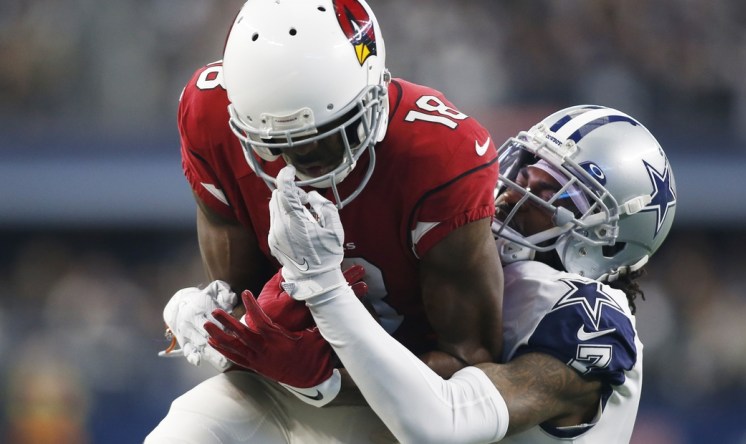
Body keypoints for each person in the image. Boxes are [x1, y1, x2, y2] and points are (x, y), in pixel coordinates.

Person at [208, 105, 677, 442]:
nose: (513, 195)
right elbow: (399, 381)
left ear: (609, 239)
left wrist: (325, 352)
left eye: (553, 194)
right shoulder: (467, 271)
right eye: (525, 169)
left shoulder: (588, 319)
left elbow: (443, 419)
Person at [147, 0, 503, 441]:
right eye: (274, 145)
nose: (299, 163)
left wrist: (326, 378)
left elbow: (472, 362)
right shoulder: (209, 114)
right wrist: (224, 330)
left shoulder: (439, 157)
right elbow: (252, 301)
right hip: (279, 387)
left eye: (324, 138)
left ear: (371, 93)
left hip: (413, 397)